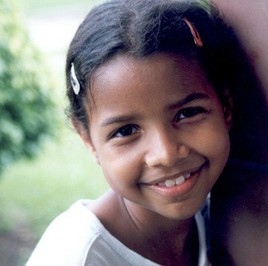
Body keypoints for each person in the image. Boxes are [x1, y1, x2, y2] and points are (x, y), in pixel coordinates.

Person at [26, 0, 249, 265]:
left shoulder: (216, 216)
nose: (165, 154)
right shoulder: (76, 257)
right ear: (88, 140)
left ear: (225, 106)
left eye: (187, 113)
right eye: (126, 131)